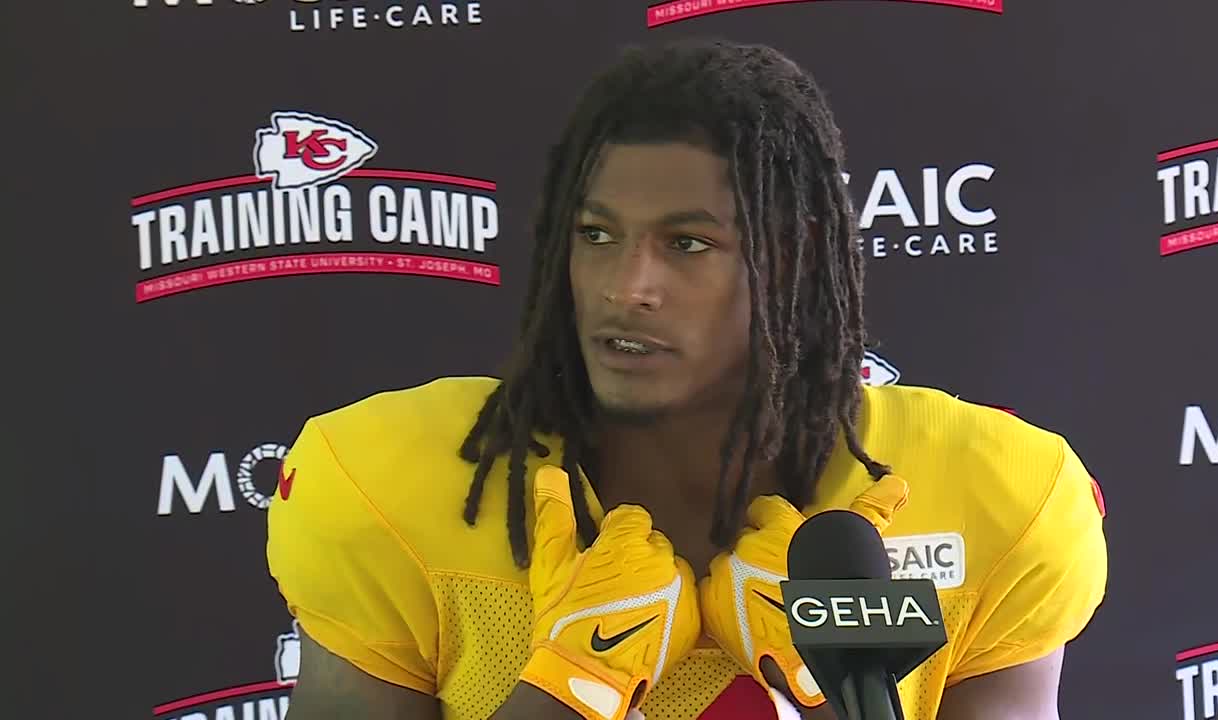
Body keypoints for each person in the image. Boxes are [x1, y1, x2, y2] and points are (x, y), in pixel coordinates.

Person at [265, 38, 1108, 720]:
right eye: (596, 235)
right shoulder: (389, 485)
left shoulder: (999, 494)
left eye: (687, 243)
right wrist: (568, 685)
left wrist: (828, 691)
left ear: (797, 257)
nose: (625, 285)